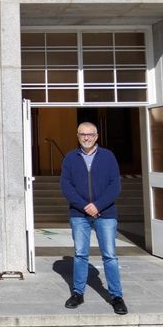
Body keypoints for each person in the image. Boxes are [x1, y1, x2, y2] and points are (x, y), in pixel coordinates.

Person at [60, 122, 127, 315]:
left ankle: (116, 296)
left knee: (110, 256)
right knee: (81, 254)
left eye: (90, 135)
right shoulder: (71, 158)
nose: (86, 138)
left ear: (96, 136)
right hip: (79, 215)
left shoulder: (108, 156)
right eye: (83, 134)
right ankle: (77, 293)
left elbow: (115, 185)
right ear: (78, 136)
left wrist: (97, 205)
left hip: (105, 213)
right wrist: (84, 206)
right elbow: (66, 186)